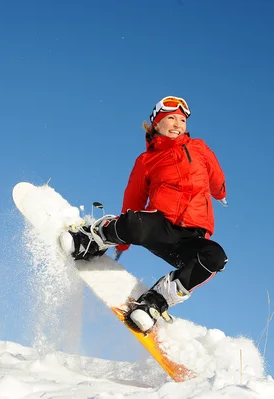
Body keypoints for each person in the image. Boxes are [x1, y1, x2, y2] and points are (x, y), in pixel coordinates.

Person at [60, 96, 228, 332]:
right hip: (160, 225)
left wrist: (220, 192)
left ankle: (155, 302)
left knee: (215, 257)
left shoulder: (198, 147)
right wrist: (122, 242)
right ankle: (91, 239)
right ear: (156, 125)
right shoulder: (147, 160)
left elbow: (216, 175)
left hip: (192, 237)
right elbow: (134, 198)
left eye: (182, 119)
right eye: (170, 118)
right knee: (135, 223)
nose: (177, 124)